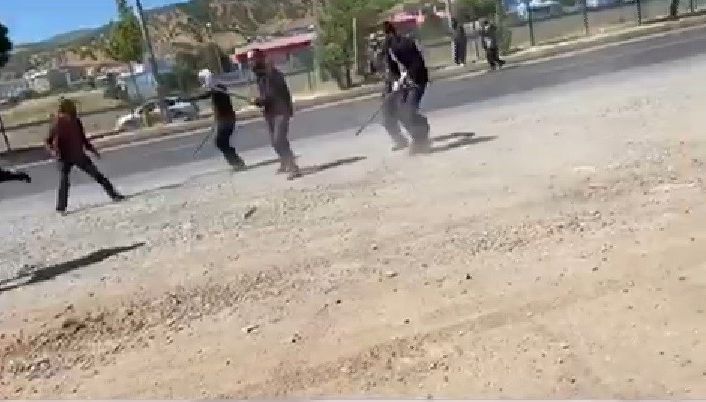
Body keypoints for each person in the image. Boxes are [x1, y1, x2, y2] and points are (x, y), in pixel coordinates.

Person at [46, 98, 124, 214]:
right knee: (65, 182)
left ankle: (114, 195)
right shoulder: (57, 122)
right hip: (64, 156)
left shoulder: (75, 121)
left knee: (96, 175)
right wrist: (53, 151)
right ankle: (61, 208)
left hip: (77, 155)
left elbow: (82, 138)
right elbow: (48, 141)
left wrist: (93, 150)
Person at [381, 20, 431, 154]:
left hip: (416, 81)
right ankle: (410, 139)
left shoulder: (403, 45)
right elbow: (392, 70)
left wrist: (406, 76)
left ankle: (421, 138)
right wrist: (395, 82)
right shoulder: (388, 49)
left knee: (408, 111)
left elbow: (417, 63)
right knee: (395, 111)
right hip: (404, 83)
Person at [249, 49, 301, 180]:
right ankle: (284, 162)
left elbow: (271, 95)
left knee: (279, 140)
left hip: (280, 112)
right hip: (270, 112)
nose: (251, 63)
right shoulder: (260, 75)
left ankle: (293, 168)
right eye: (250, 61)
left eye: (253, 60)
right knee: (275, 141)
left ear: (260, 59)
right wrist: (259, 101)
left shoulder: (271, 74)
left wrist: (258, 101)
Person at [182, 83, 246, 169]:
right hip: (225, 120)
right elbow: (204, 95)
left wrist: (188, 99)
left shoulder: (219, 92)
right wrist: (188, 99)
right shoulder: (217, 92)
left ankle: (237, 162)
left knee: (220, 142)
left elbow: (204, 95)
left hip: (226, 121)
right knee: (222, 143)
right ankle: (236, 162)